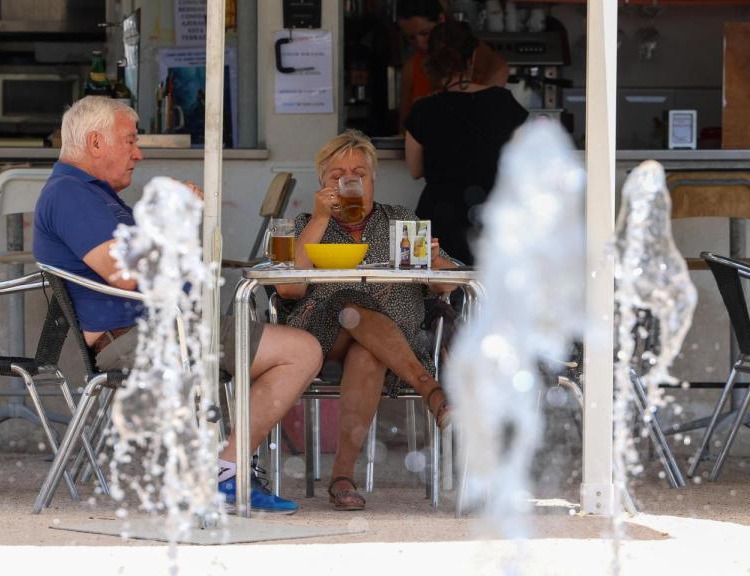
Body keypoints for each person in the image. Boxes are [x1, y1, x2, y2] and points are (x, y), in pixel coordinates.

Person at [32, 96, 322, 515]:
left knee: (297, 348)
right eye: (129, 141)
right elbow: (125, 273)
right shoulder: (71, 194)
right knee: (301, 351)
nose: (138, 153)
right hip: (141, 339)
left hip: (163, 330)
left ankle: (224, 470)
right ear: (95, 144)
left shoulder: (91, 194)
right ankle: (225, 473)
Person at [275, 130, 456, 512]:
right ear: (322, 184)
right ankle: (431, 390)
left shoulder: (400, 221)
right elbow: (289, 290)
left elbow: (445, 285)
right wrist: (321, 219)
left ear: (374, 179)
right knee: (348, 302)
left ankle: (342, 477)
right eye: (336, 176)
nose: (348, 182)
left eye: (358, 173)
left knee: (368, 352)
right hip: (321, 337)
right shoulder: (304, 224)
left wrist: (436, 261)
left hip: (393, 341)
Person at [404, 21, 528, 264]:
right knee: (491, 294)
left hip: (435, 221)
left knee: (429, 295)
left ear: (431, 63)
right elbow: (526, 162)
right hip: (493, 218)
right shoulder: (504, 102)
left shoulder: (423, 109)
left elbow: (415, 170)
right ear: (472, 57)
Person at [396, 0, 509, 130]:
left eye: (424, 33)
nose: (419, 43)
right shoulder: (411, 67)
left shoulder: (467, 49)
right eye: (411, 37)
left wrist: (475, 109)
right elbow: (404, 124)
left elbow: (501, 70)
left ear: (441, 19)